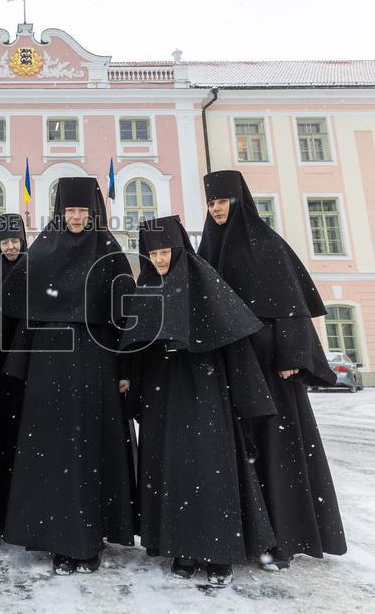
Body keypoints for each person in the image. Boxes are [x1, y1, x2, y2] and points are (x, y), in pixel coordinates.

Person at [197, 169, 347, 568]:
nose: (216, 209)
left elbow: (291, 308)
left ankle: (282, 537)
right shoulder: (207, 249)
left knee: (274, 450)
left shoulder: (267, 245)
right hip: (226, 367)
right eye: (211, 202)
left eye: (222, 201)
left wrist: (290, 358)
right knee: (233, 451)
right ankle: (242, 535)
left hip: (267, 370)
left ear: (239, 201)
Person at [121, 216, 276, 587]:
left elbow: (233, 340)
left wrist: (247, 394)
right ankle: (182, 548)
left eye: (165, 252)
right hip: (163, 393)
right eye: (152, 253)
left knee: (212, 469)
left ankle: (219, 551)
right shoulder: (147, 286)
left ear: (178, 250)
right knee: (169, 469)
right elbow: (134, 346)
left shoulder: (205, 281)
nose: (159, 260)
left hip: (205, 390)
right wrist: (128, 378)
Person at [1, 177, 136, 575]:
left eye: (82, 212)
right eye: (69, 211)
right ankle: (52, 534)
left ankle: (87, 541)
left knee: (90, 450)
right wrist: (21, 364)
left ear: (93, 212)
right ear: (60, 213)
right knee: (51, 450)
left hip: (95, 360)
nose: (76, 218)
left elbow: (126, 316)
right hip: (48, 363)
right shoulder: (43, 251)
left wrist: (125, 367)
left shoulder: (109, 251)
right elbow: (26, 310)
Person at [0, 212, 28, 533]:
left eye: (15, 241)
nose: (11, 247)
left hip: (26, 372)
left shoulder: (35, 273)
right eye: (5, 242)